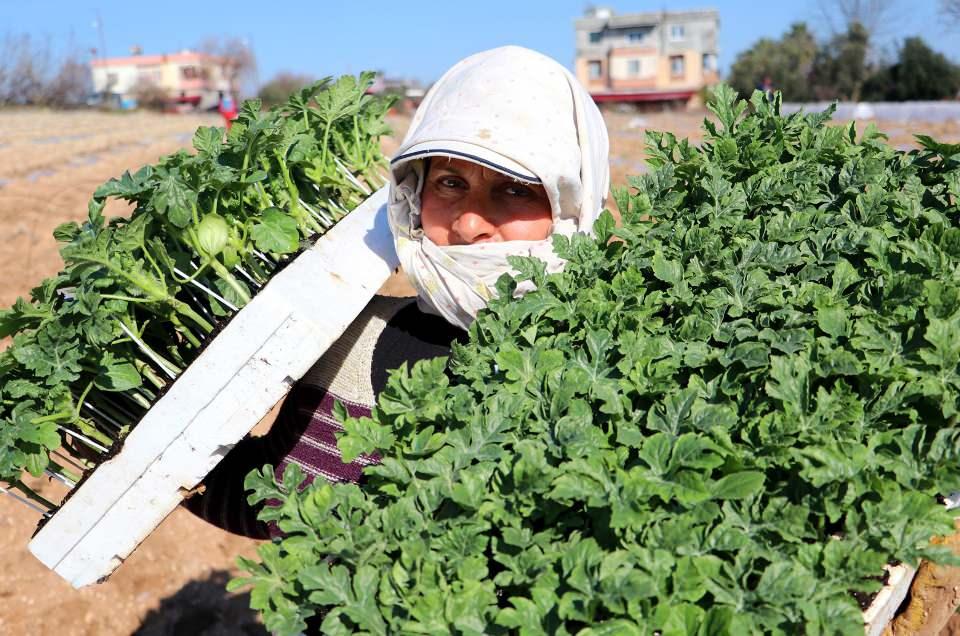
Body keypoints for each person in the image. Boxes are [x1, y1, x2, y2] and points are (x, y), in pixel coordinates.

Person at [185, 45, 610, 537]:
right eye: (450, 182)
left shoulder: (614, 355)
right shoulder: (350, 339)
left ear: (573, 208)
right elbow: (274, 500)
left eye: (516, 189)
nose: (471, 223)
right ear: (412, 192)